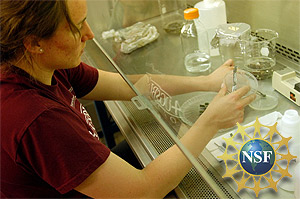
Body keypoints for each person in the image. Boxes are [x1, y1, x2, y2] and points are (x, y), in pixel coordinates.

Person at [0, 0, 256, 198]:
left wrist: (206, 82)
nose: (89, 34)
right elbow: (144, 192)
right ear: (34, 42)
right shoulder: (36, 119)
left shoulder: (43, 64)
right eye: (77, 28)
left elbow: (132, 85)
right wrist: (210, 121)